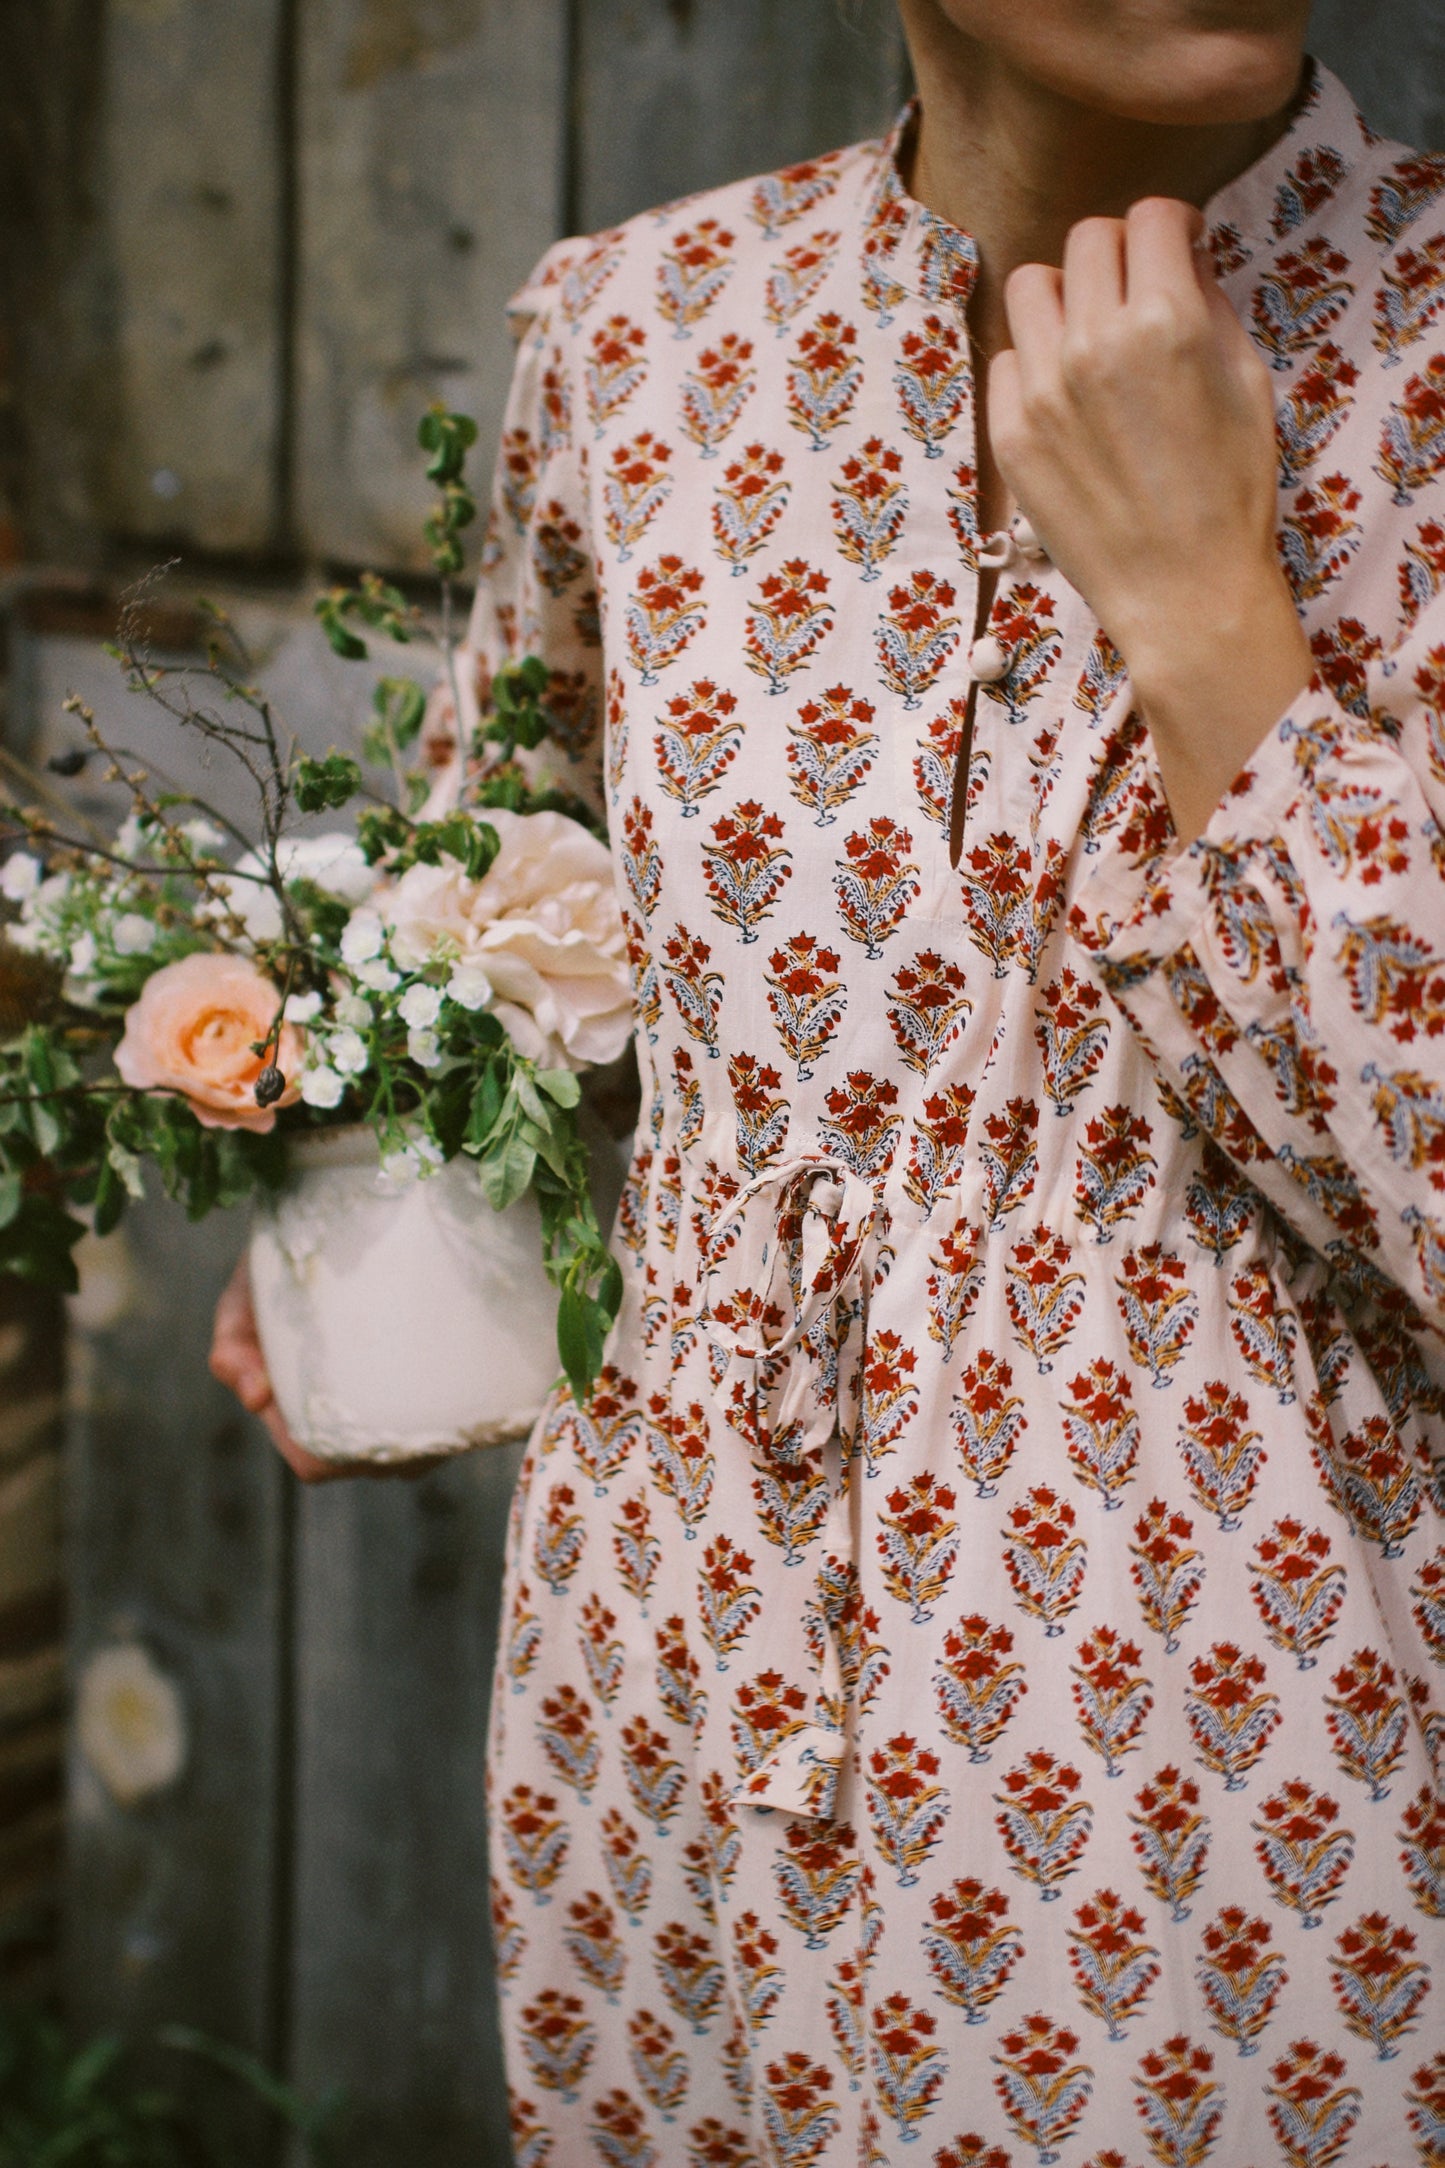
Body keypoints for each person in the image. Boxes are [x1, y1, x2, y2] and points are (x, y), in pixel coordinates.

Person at [214, 0, 1445, 2154]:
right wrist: (393, 1245)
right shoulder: (640, 337)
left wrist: (1203, 617)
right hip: (675, 1719)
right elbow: (514, 920)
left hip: (1241, 1785)